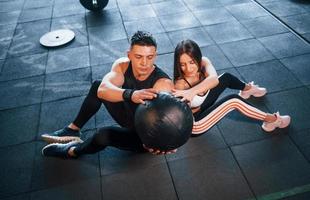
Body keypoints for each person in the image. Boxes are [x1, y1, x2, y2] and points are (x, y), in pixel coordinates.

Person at [41, 31, 177, 158]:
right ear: (129, 55)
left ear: (155, 56)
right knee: (97, 85)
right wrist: (131, 95)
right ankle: (73, 129)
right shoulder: (122, 65)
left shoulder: (162, 84)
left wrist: (159, 144)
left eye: (150, 57)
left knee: (103, 135)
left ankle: (72, 151)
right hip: (128, 115)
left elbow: (166, 121)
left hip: (142, 136)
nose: (144, 63)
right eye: (138, 57)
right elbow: (102, 90)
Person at [172, 39, 291, 135]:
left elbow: (214, 79)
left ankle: (248, 89)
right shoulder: (180, 84)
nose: (188, 68)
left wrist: (191, 92)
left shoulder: (203, 61)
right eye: (182, 64)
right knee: (234, 101)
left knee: (226, 78)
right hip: (196, 124)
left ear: (198, 58)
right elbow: (182, 119)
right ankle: (272, 121)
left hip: (202, 106)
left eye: (191, 62)